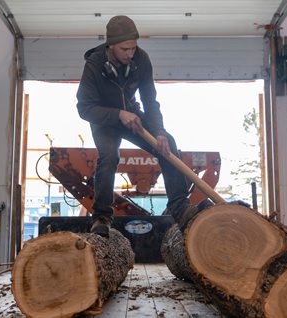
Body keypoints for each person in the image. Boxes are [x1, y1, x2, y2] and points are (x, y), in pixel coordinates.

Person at [76, 15, 202, 237]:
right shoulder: (94, 65)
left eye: (133, 48)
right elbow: (84, 108)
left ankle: (180, 208)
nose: (130, 53)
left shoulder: (141, 59)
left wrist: (159, 132)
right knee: (109, 158)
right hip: (104, 119)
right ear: (111, 45)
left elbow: (150, 99)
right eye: (125, 49)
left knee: (168, 144)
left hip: (132, 116)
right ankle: (102, 218)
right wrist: (118, 114)